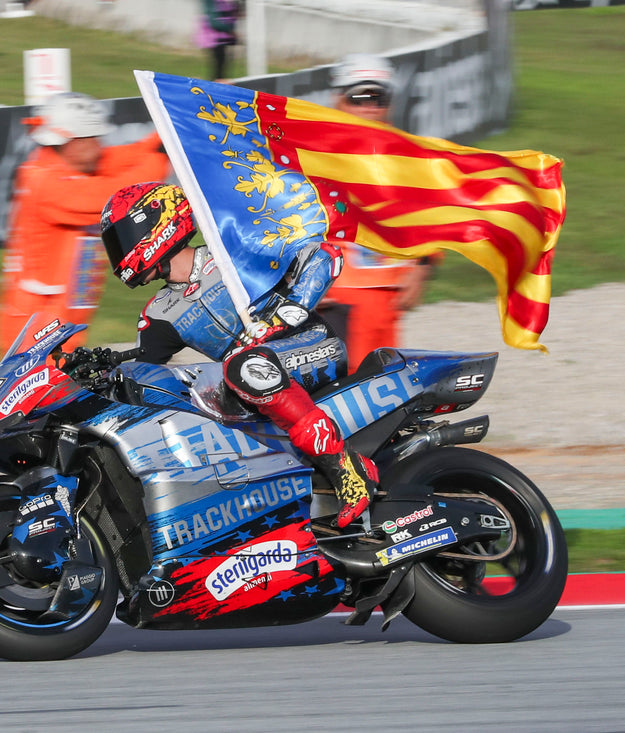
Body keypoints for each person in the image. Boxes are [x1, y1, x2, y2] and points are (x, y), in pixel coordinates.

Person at [100, 182, 379, 529]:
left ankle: (348, 470)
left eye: (123, 237)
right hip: (251, 379)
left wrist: (281, 317)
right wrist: (98, 373)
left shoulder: (232, 252)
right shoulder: (158, 313)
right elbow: (143, 370)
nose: (119, 251)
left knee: (242, 366)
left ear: (158, 225)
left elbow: (323, 256)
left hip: (311, 345)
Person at [0, 92, 171, 353]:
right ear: (70, 141)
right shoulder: (45, 183)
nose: (100, 145)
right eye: (93, 137)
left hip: (57, 322)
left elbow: (132, 154)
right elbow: (119, 194)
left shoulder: (69, 166)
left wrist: (173, 125)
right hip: (34, 330)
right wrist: (165, 154)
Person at [318, 53, 438, 373]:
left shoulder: (409, 157)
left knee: (384, 391)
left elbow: (432, 218)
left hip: (389, 299)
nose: (369, 107)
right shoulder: (313, 154)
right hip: (340, 298)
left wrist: (423, 267)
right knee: (345, 394)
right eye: (359, 97)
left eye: (378, 98)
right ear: (338, 100)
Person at [195, 0, 240, 82]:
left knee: (223, 65)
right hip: (214, 38)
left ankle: (217, 84)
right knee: (219, 66)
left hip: (225, 38)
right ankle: (214, 86)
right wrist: (229, 30)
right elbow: (214, 22)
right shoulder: (211, 3)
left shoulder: (225, 3)